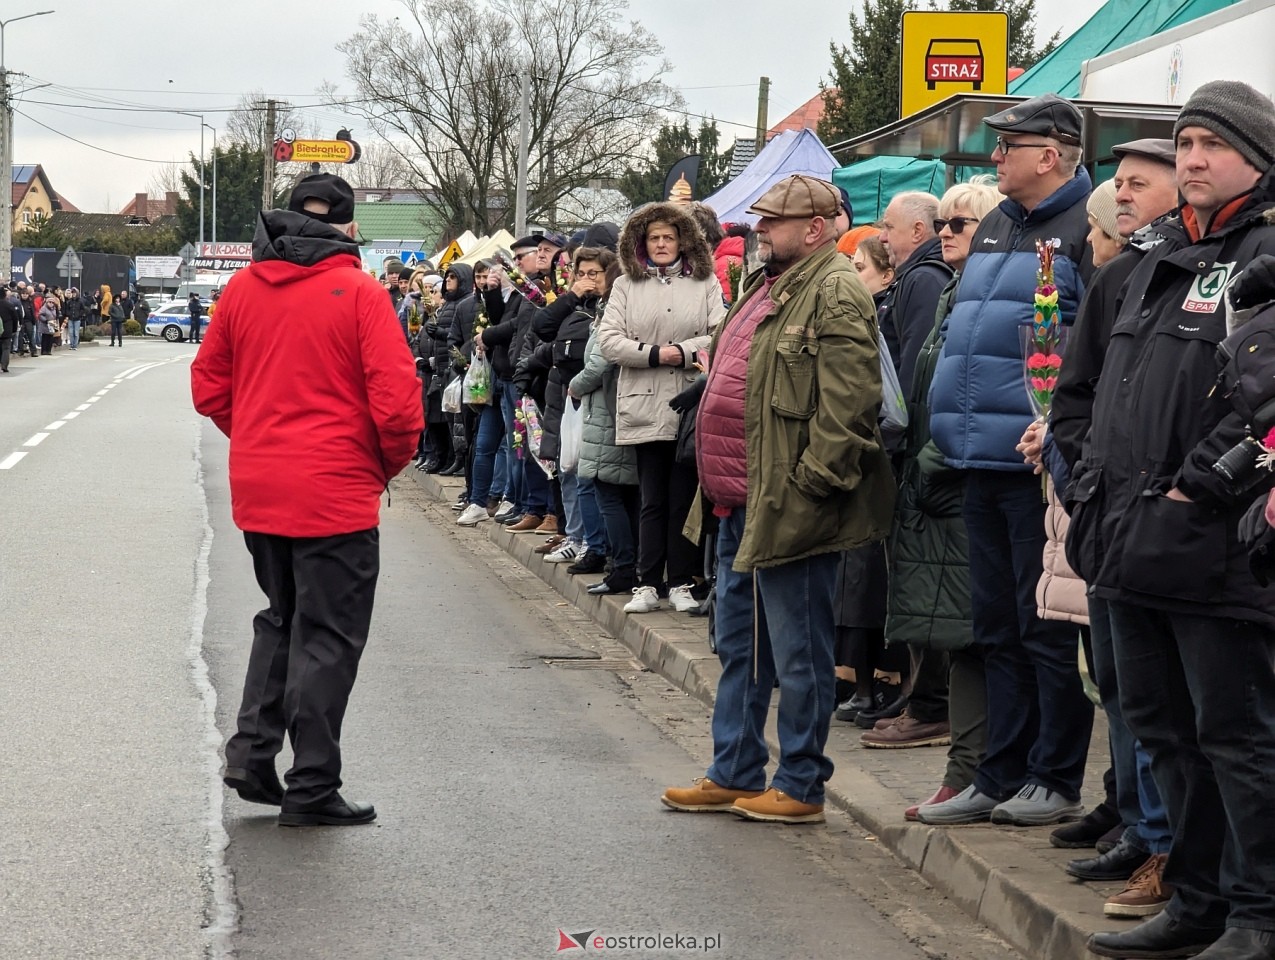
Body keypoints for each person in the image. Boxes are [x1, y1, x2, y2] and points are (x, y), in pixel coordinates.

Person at [1073, 82, 1275, 960]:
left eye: (1209, 145)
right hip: (1122, 536)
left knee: (1236, 738)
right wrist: (1085, 478)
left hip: (1218, 546)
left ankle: (1256, 912)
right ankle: (1194, 902)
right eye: (1183, 142)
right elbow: (1078, 388)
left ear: (1257, 158)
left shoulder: (1266, 250)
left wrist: (1199, 489)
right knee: (1159, 729)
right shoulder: (1144, 259)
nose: (1190, 159)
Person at [660, 174, 895, 824]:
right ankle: (733, 770)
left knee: (799, 656)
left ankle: (800, 784)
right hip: (740, 505)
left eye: (772, 221)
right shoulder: (768, 285)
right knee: (743, 649)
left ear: (814, 228)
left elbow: (849, 404)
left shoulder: (834, 289)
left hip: (791, 510)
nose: (758, 229)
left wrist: (811, 488)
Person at [191, 173, 423, 827]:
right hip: (335, 493)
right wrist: (378, 465)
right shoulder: (359, 292)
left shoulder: (240, 289)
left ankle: (251, 753)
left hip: (263, 488)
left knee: (282, 618)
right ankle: (312, 784)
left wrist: (260, 439)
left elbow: (209, 385)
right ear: (350, 229)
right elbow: (399, 405)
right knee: (327, 636)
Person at [921, 92, 1095, 828]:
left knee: (1043, 628)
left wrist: (1053, 433)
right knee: (992, 623)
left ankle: (1054, 776)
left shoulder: (1084, 230)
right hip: (974, 457)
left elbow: (1085, 348)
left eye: (1006, 146)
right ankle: (999, 771)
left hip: (1034, 464)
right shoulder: (995, 224)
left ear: (1048, 154)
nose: (994, 158)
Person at [1043, 138, 1179, 922]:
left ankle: (1167, 847)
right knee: (1124, 689)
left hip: (1176, 528)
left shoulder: (1209, 274)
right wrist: (1088, 487)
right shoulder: (1119, 277)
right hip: (1110, 518)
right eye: (1117, 184)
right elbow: (1074, 392)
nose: (1119, 195)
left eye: (1136, 184)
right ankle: (1145, 830)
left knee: (1169, 704)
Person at [863, 179, 1001, 801]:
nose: (946, 232)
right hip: (932, 470)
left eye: (960, 224)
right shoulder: (950, 290)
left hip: (955, 475)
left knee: (963, 621)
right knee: (940, 610)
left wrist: (936, 456)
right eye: (943, 222)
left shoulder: (946, 289)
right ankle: (959, 757)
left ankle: (955, 739)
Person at [598, 201, 726, 614]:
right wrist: (655, 355)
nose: (661, 244)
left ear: (683, 241)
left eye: (669, 237)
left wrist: (682, 353)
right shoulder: (625, 287)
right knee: (652, 497)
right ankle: (647, 581)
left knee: (683, 497)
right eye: (653, 238)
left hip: (688, 404)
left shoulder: (705, 283)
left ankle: (681, 582)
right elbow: (610, 340)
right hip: (643, 403)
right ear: (641, 243)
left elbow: (719, 333)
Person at [0, 284, 18, 372]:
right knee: (6, 348)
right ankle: (4, 365)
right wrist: (14, 329)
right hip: (7, 329)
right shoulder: (9, 305)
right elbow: (15, 318)